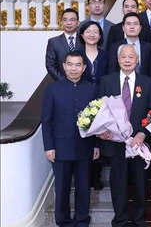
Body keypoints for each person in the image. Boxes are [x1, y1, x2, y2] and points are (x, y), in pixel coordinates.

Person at [97, 44, 151, 227]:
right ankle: (121, 220)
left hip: (139, 144)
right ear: (118, 59)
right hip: (116, 143)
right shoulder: (107, 81)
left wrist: (142, 134)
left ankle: (139, 219)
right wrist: (103, 131)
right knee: (118, 185)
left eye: (131, 57)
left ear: (137, 60)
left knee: (139, 184)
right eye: (124, 57)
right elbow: (100, 110)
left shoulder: (148, 82)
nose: (128, 60)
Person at [41, 51, 99, 227]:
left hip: (85, 146)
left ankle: (82, 220)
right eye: (70, 64)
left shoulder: (92, 89)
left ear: (84, 68)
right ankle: (63, 220)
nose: (74, 68)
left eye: (78, 65)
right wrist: (49, 147)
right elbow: (47, 120)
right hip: (60, 147)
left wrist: (96, 145)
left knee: (83, 187)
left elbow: (98, 121)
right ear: (64, 66)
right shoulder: (52, 89)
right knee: (62, 187)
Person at [45, 8, 83, 81]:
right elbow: (50, 66)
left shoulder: (84, 40)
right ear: (61, 22)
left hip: (82, 83)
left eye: (72, 20)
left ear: (78, 23)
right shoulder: (53, 42)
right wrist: (64, 81)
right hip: (61, 84)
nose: (69, 23)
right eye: (65, 20)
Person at [78, 21, 109, 86]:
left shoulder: (107, 56)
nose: (92, 35)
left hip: (102, 94)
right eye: (88, 32)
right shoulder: (76, 55)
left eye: (95, 32)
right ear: (82, 35)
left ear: (100, 36)